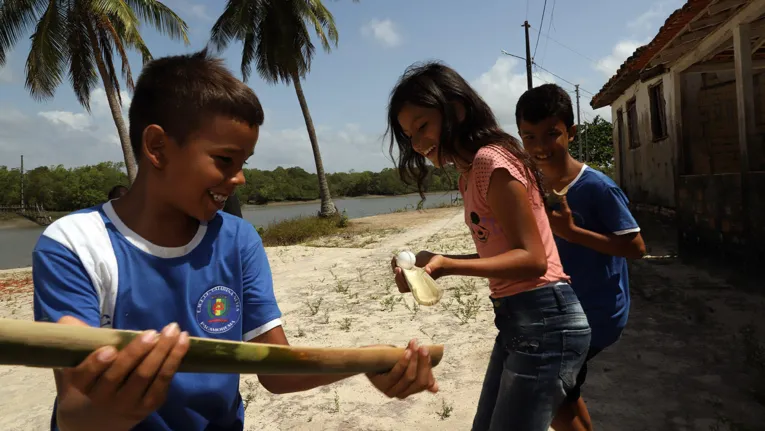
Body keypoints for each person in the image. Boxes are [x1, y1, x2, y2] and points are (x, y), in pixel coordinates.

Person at [31, 49, 438, 431]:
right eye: (225, 160)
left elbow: (275, 370)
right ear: (157, 147)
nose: (240, 178)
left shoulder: (238, 239)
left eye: (244, 163)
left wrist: (370, 360)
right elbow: (75, 412)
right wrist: (108, 409)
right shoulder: (75, 245)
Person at [386, 61, 591, 431]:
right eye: (408, 134)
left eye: (423, 126)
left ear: (457, 111)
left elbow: (532, 261)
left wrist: (448, 263)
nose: (417, 143)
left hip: (546, 320)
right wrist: (428, 267)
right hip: (520, 322)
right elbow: (499, 257)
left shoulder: (490, 162)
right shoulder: (469, 177)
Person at [515, 83, 646, 431]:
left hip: (596, 314)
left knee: (549, 390)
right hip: (560, 312)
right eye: (529, 137)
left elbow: (637, 247)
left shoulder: (598, 187)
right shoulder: (532, 187)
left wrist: (572, 233)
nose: (540, 147)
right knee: (559, 395)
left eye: (551, 134)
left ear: (571, 133)